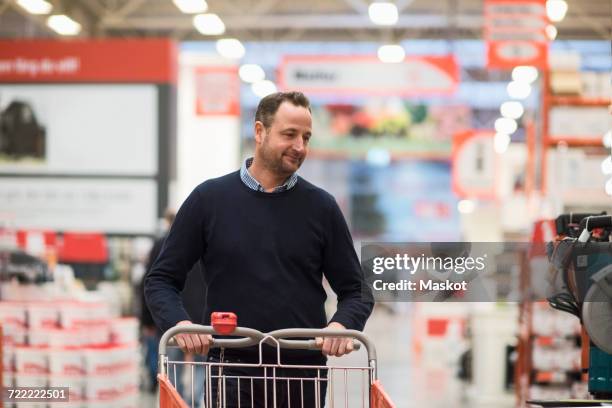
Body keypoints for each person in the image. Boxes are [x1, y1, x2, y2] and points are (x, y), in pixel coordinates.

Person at [145, 91, 374, 407]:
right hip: (231, 370)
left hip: (303, 372)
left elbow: (357, 290)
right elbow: (161, 279)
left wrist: (340, 327)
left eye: (306, 137)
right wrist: (180, 323)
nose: (300, 147)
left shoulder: (322, 208)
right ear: (259, 132)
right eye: (289, 134)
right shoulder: (209, 200)